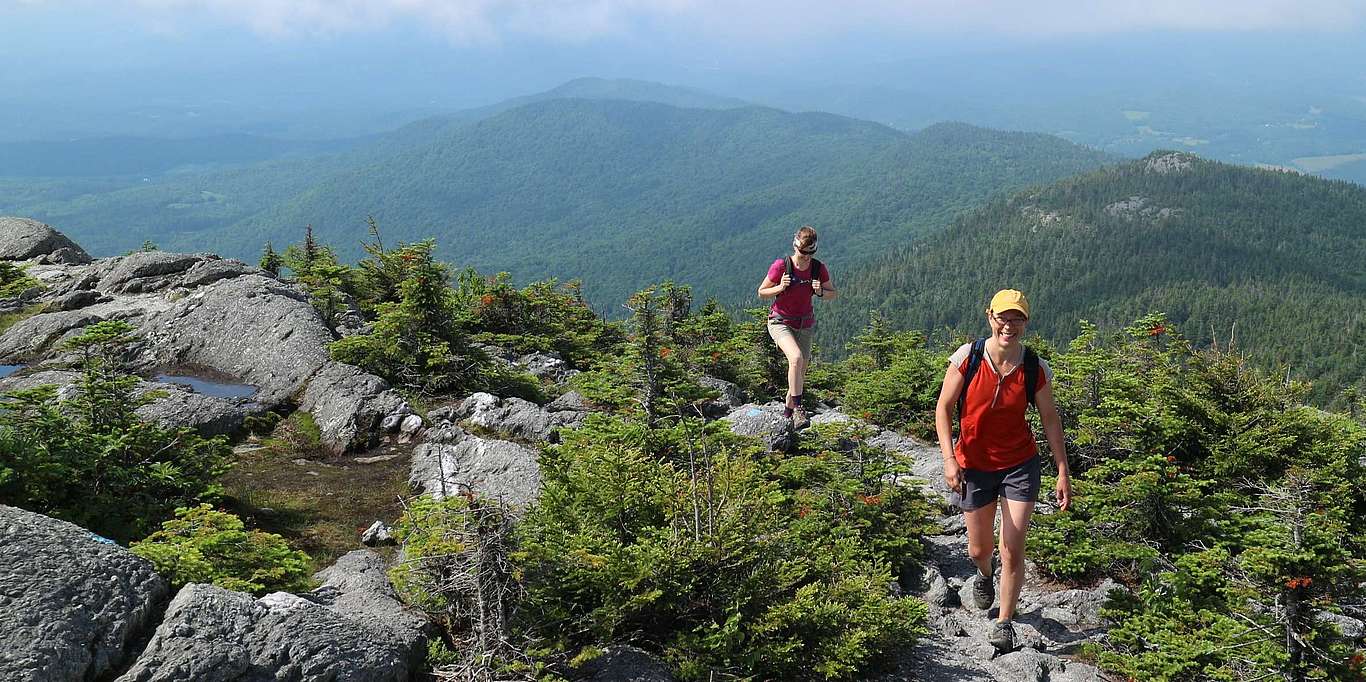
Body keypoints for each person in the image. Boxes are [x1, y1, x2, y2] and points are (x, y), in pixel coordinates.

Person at [933, 289, 1072, 652]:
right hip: (974, 466)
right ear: (990, 317)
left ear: (1026, 322)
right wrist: (950, 459)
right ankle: (983, 573)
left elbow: (1050, 421)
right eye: (1003, 318)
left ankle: (1004, 621)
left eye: (1017, 319)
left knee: (1012, 546)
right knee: (980, 548)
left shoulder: (1034, 367)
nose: (1009, 325)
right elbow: (944, 408)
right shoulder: (969, 357)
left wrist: (1062, 470)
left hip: (1019, 466)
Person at [757, 226, 837, 429]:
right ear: (795, 247)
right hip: (780, 321)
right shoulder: (781, 266)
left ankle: (787, 413)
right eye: (803, 252)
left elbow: (832, 294)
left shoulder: (818, 268)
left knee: (799, 372)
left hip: (805, 324)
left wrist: (819, 292)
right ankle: (799, 408)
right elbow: (762, 292)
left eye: (810, 253)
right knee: (796, 358)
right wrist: (781, 287)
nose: (806, 257)